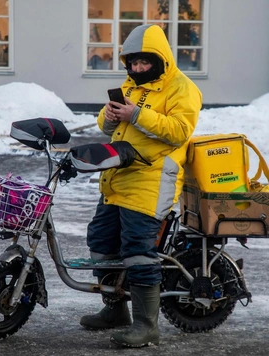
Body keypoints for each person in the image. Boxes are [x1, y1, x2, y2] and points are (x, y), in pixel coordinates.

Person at [80, 24, 202, 347]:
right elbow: (109, 128)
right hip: (118, 177)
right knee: (101, 242)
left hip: (152, 180)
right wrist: (108, 116)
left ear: (160, 59)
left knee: (137, 250)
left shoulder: (182, 88)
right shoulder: (132, 85)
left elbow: (178, 131)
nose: (136, 69)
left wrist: (136, 115)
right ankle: (116, 309)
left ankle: (147, 325)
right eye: (132, 63)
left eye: (144, 62)